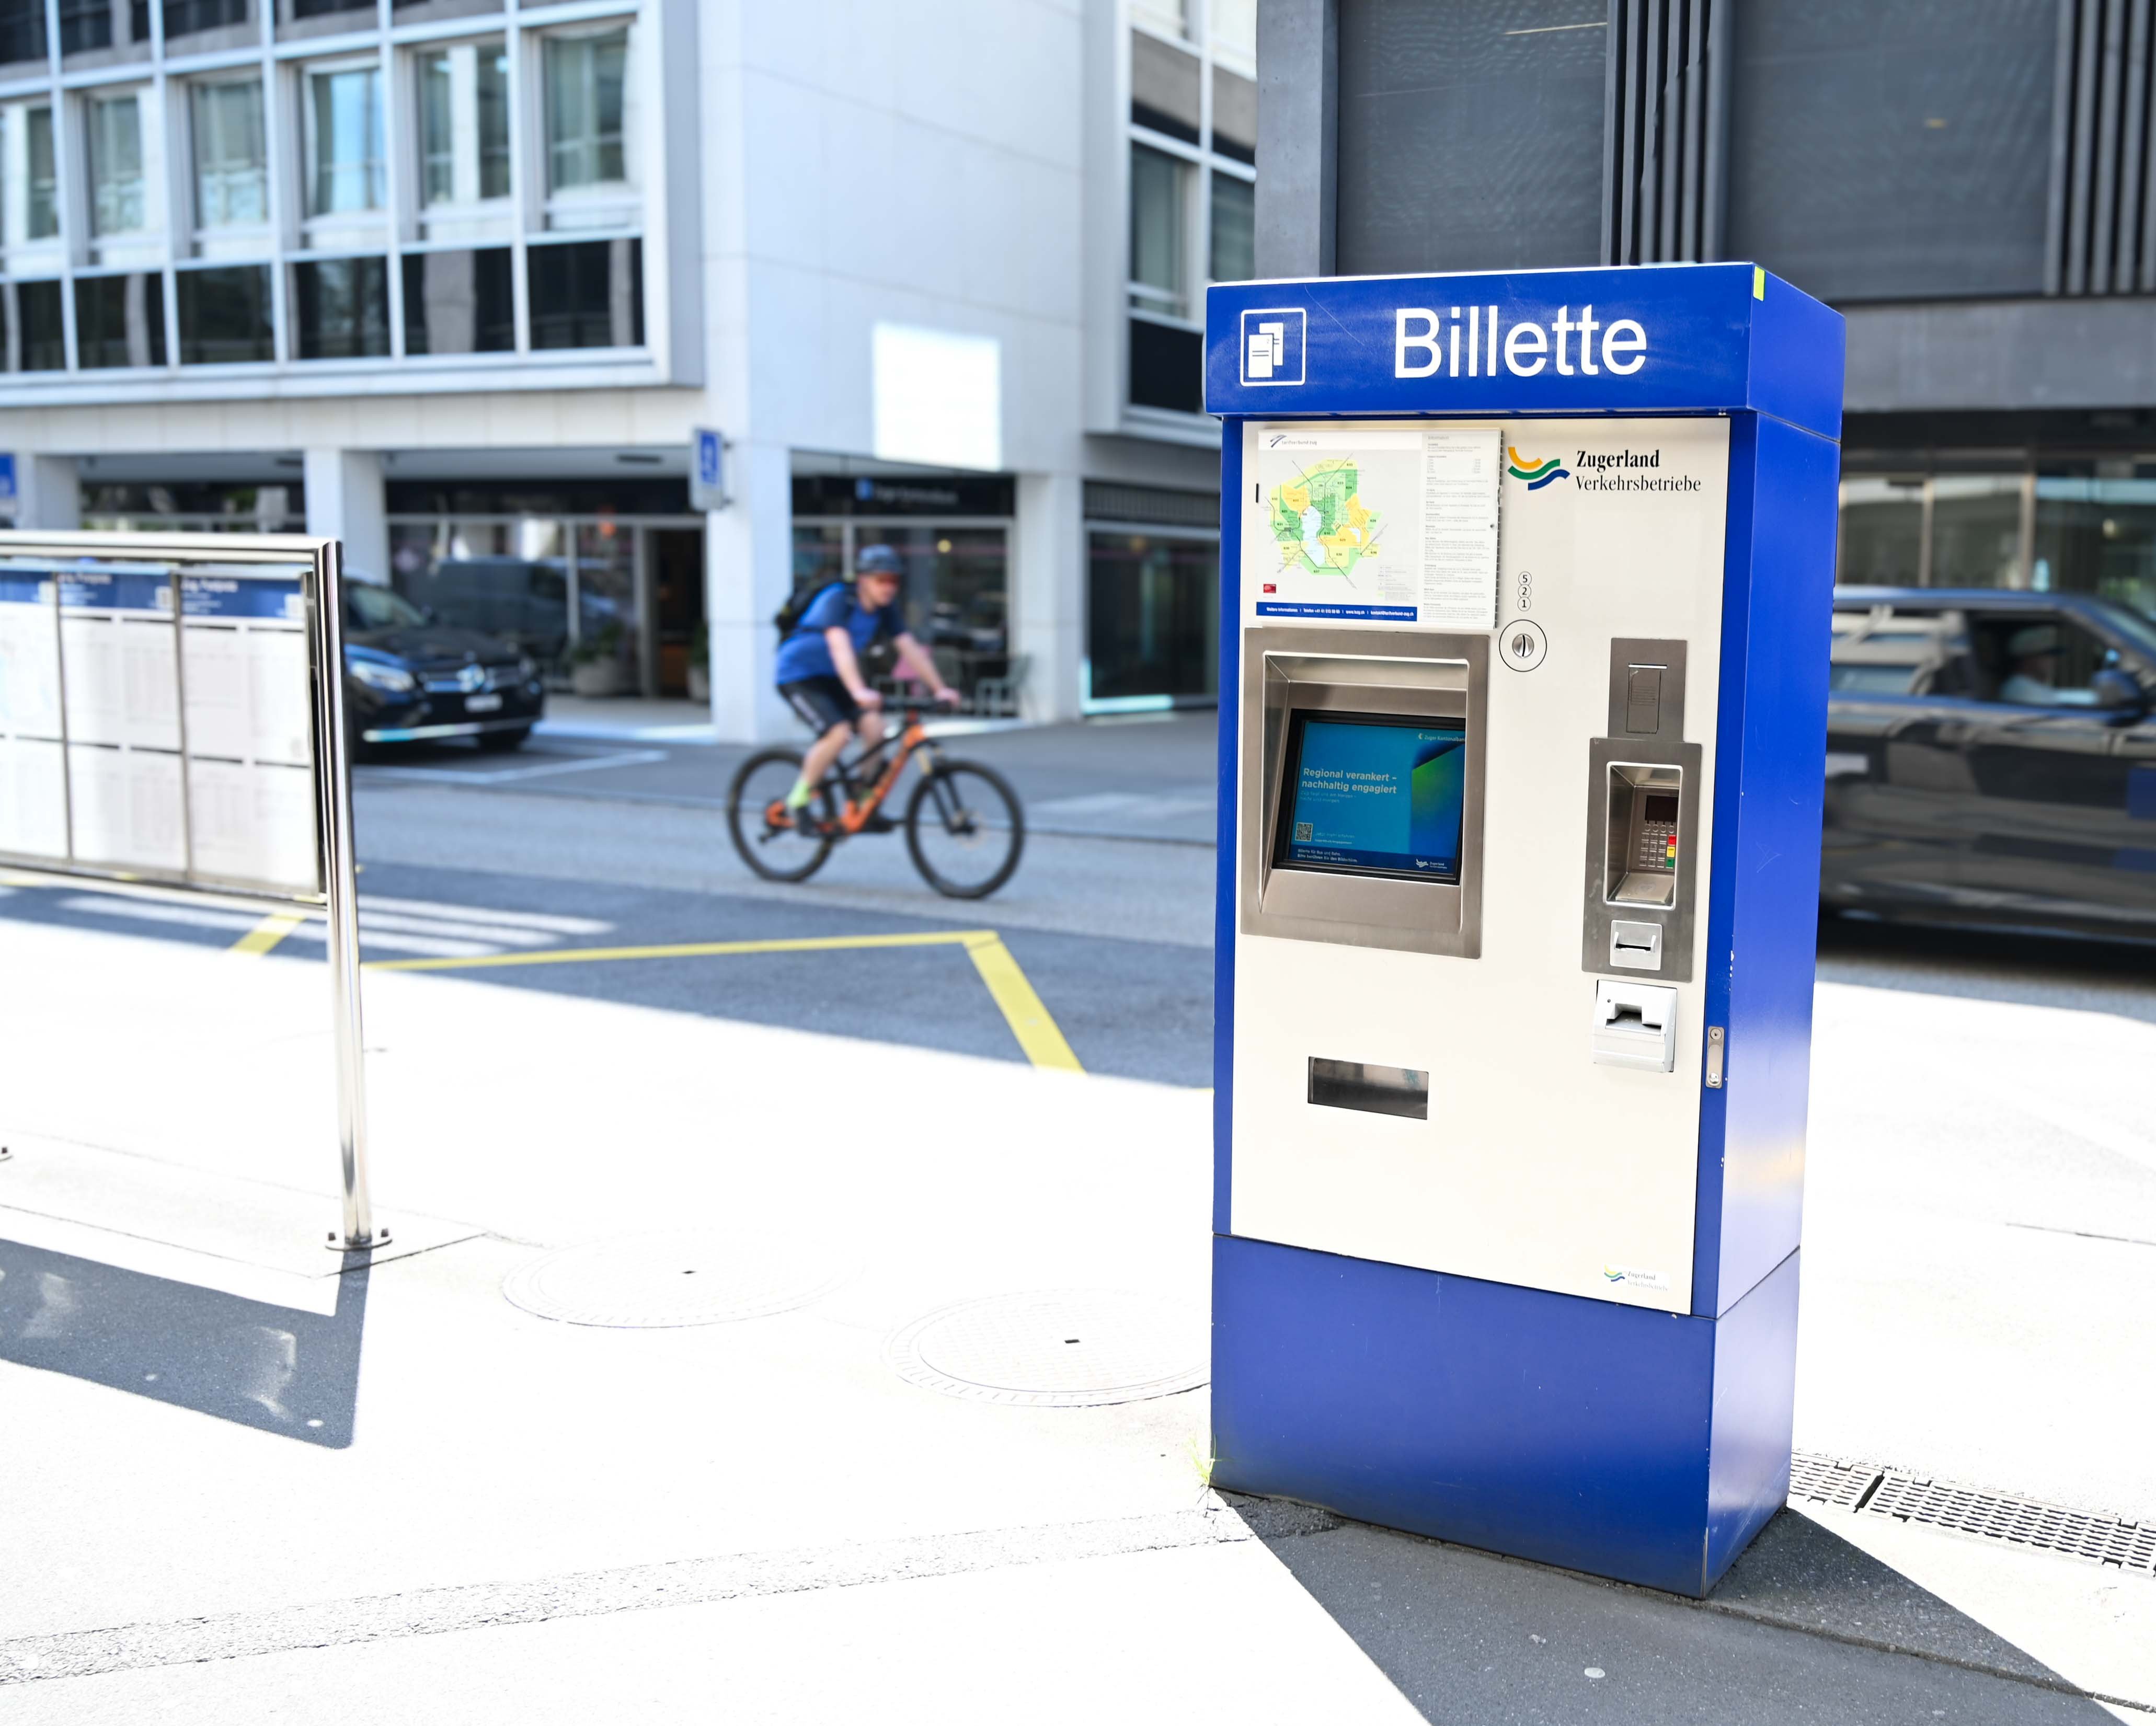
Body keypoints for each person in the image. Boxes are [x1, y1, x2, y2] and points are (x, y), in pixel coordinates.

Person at [773, 545, 960, 830]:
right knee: (838, 734)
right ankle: (797, 801)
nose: (888, 587)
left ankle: (862, 800)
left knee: (875, 727)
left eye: (894, 580)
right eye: (881, 580)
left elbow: (909, 648)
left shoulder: (885, 610)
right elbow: (840, 646)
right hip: (798, 675)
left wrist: (939, 689)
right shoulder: (839, 599)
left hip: (834, 677)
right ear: (863, 580)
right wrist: (859, 691)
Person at [1997, 624, 2097, 706]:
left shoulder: (2035, 684)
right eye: (2049, 654)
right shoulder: (2021, 689)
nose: (2054, 660)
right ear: (2029, 658)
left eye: (2056, 655)